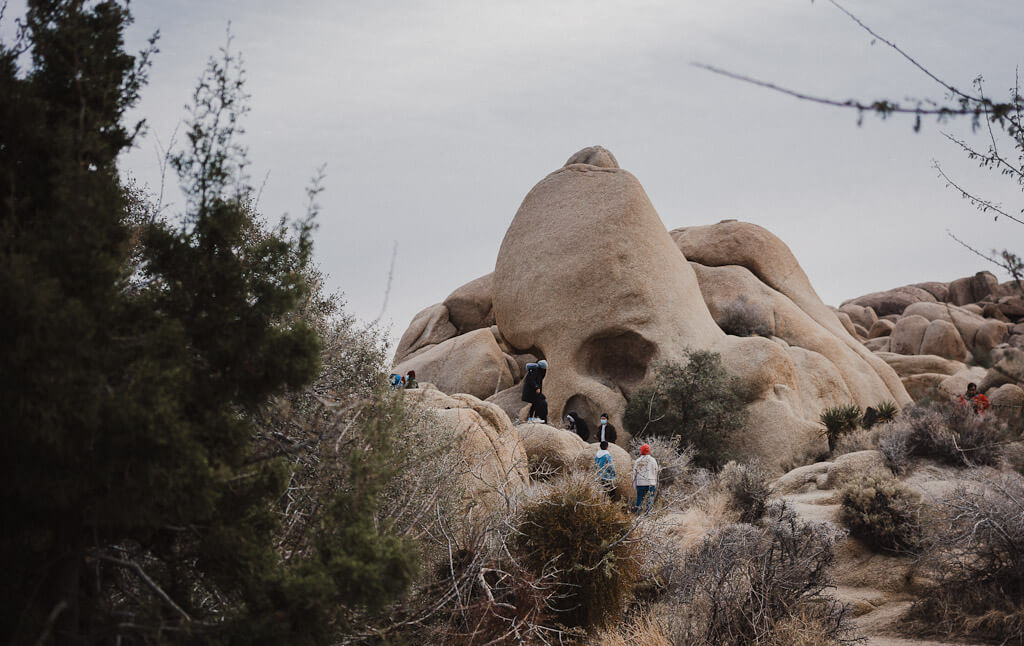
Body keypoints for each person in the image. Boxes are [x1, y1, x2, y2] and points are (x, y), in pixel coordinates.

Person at [632, 444, 659, 514]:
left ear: (641, 451)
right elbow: (656, 471)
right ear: (648, 451)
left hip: (640, 483)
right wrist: (655, 482)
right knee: (649, 499)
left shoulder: (638, 461)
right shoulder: (653, 460)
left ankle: (637, 513)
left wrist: (634, 484)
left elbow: (634, 473)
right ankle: (647, 514)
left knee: (639, 498)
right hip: (651, 482)